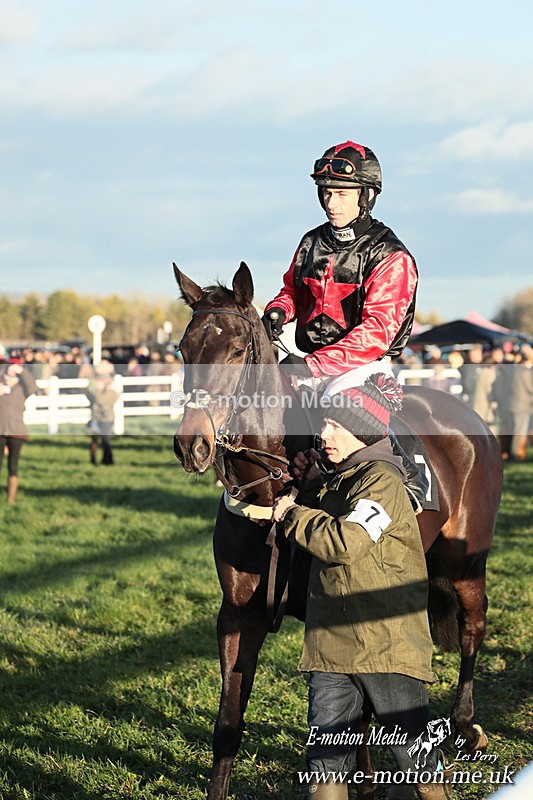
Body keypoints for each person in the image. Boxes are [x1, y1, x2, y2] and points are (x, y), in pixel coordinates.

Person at [272, 374, 450, 800]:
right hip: (332, 646)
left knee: (417, 758)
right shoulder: (340, 480)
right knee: (324, 765)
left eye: (335, 425)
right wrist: (310, 488)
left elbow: (344, 543)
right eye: (324, 424)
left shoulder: (382, 482)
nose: (324, 433)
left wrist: (292, 514)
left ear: (361, 430)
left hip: (384, 644)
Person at [262, 139, 426, 510]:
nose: (330, 203)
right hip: (308, 360)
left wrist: (314, 365)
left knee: (341, 428)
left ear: (365, 196)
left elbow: (377, 333)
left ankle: (406, 480)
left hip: (362, 369)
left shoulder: (391, 255)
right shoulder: (311, 242)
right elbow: (291, 289)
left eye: (340, 193)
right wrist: (278, 311)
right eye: (325, 192)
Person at [0, 362, 38, 504]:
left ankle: (11, 499)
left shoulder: (21, 388)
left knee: (13, 465)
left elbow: (33, 387)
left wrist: (22, 371)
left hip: (16, 431)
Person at [85, 360, 120, 466]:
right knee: (95, 439)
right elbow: (90, 395)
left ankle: (108, 460)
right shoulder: (95, 383)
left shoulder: (112, 388)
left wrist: (98, 390)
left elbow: (101, 400)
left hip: (106, 417)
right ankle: (94, 459)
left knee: (105, 440)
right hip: (96, 416)